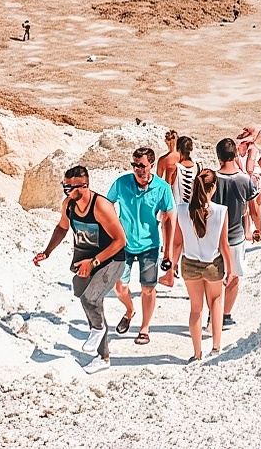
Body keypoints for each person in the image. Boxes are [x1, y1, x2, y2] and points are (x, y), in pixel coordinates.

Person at [34, 166, 126, 373]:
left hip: (111, 259)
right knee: (88, 300)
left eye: (69, 188)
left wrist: (93, 262)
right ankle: (101, 349)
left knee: (90, 299)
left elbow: (120, 241)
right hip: (84, 258)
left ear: (83, 186)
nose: (66, 192)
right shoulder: (68, 204)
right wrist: (47, 252)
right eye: (64, 187)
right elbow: (62, 228)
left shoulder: (101, 206)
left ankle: (101, 347)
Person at [107, 147, 174, 346]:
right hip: (123, 244)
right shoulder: (121, 183)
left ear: (151, 165)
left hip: (150, 245)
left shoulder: (162, 188)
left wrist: (168, 252)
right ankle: (129, 311)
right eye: (135, 165)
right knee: (119, 288)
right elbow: (107, 204)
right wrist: (112, 229)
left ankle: (145, 328)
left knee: (147, 288)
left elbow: (169, 219)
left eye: (142, 165)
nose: (138, 169)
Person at [172, 171, 233, 362]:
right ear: (213, 187)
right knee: (215, 302)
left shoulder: (181, 210)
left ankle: (197, 353)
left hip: (189, 263)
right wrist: (230, 269)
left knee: (195, 308)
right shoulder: (221, 211)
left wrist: (171, 265)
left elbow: (177, 242)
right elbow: (224, 245)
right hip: (213, 264)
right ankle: (215, 347)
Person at [212, 138, 258, 330]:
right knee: (234, 277)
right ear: (235, 155)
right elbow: (253, 207)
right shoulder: (244, 180)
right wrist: (258, 228)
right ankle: (225, 315)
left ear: (218, 156)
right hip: (235, 236)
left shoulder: (211, 178)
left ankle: (212, 314)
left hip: (213, 237)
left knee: (214, 277)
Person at [236, 127, 261, 241]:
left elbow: (249, 168)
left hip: (254, 180)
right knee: (246, 208)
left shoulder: (252, 149)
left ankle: (259, 232)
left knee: (254, 208)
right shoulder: (238, 150)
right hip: (245, 179)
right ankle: (248, 232)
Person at [170, 136, 198, 209]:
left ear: (179, 150)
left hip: (177, 213)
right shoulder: (198, 166)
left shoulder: (174, 168)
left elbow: (168, 190)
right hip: (194, 212)